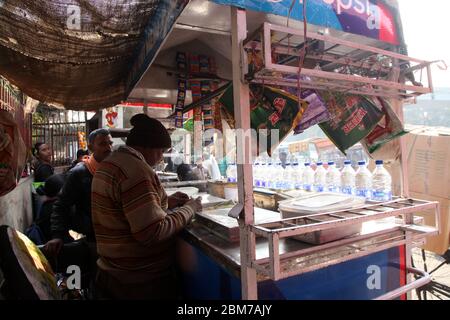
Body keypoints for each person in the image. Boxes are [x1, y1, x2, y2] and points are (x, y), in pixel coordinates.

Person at [91, 114, 202, 300]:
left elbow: (124, 209)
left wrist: (163, 202)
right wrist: (190, 208)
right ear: (146, 147)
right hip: (138, 283)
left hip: (111, 272)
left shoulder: (110, 164)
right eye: (160, 151)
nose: (160, 158)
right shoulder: (137, 171)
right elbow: (153, 232)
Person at [44, 128, 113, 255]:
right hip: (91, 239)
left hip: (112, 236)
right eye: (103, 144)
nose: (108, 148)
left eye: (110, 143)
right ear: (90, 147)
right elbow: (61, 205)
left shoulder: (113, 170)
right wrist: (57, 235)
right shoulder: (79, 173)